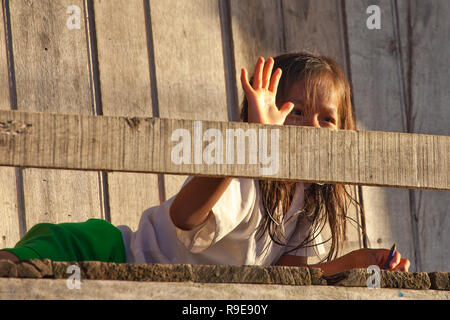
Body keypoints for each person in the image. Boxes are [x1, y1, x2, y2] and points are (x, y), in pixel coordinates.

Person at [0, 52, 410, 276]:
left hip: (191, 292)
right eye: (297, 111)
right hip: (125, 256)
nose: (313, 128)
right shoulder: (250, 176)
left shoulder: (310, 203)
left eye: (328, 119)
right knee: (53, 249)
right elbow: (184, 215)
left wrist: (356, 262)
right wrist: (250, 143)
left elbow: (288, 281)